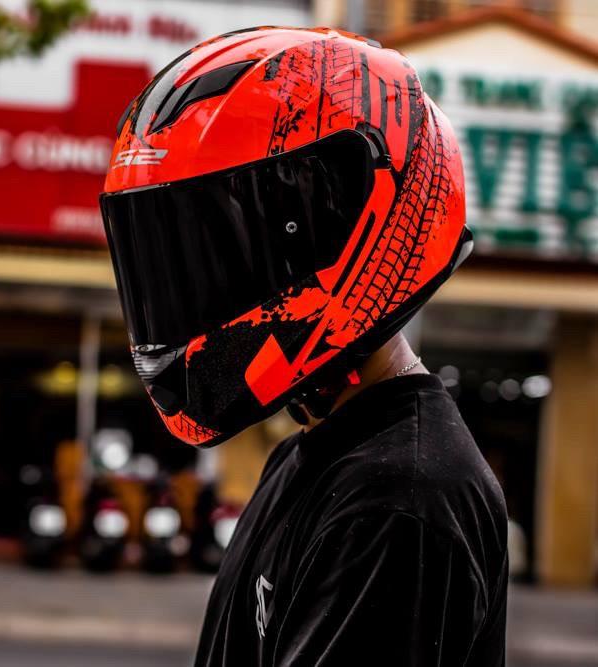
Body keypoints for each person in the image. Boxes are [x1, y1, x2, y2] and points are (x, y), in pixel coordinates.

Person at [100, 26, 508, 665]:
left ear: (327, 226)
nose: (193, 294)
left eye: (221, 254)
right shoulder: (310, 454)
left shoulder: (400, 500)